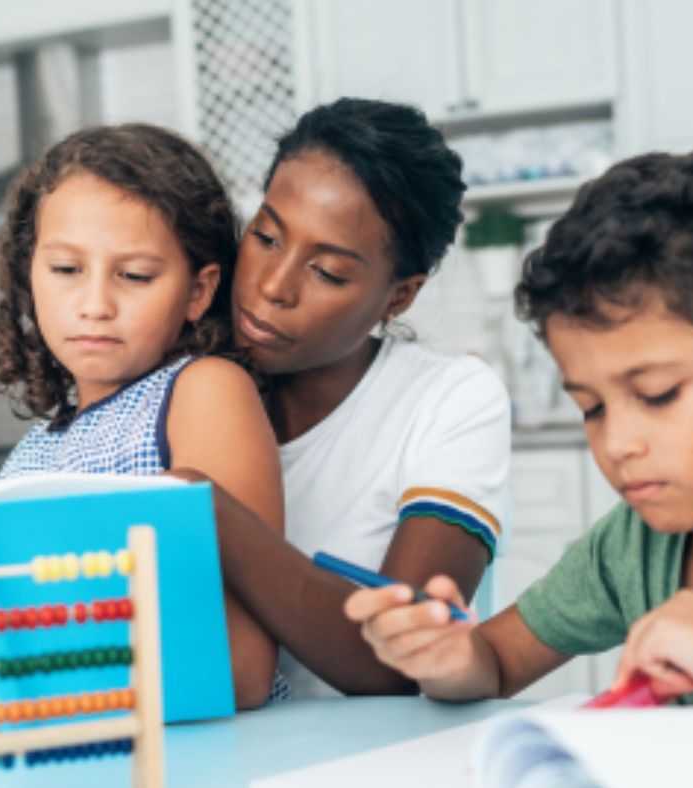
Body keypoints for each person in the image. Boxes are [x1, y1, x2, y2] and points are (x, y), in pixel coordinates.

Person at [344, 143, 693, 724]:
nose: (618, 443)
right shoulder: (630, 547)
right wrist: (450, 658)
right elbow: (497, 664)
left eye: (656, 394)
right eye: (591, 407)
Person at [0, 123, 286, 734]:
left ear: (198, 291)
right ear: (28, 274)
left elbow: (238, 671)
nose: (94, 305)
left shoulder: (203, 389)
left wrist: (35, 689)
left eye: (133, 276)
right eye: (64, 269)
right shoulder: (33, 454)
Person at [210, 97, 512, 698]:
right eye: (266, 236)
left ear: (400, 296)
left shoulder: (448, 400)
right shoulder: (191, 382)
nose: (272, 286)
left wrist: (209, 512)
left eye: (327, 273)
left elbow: (401, 666)